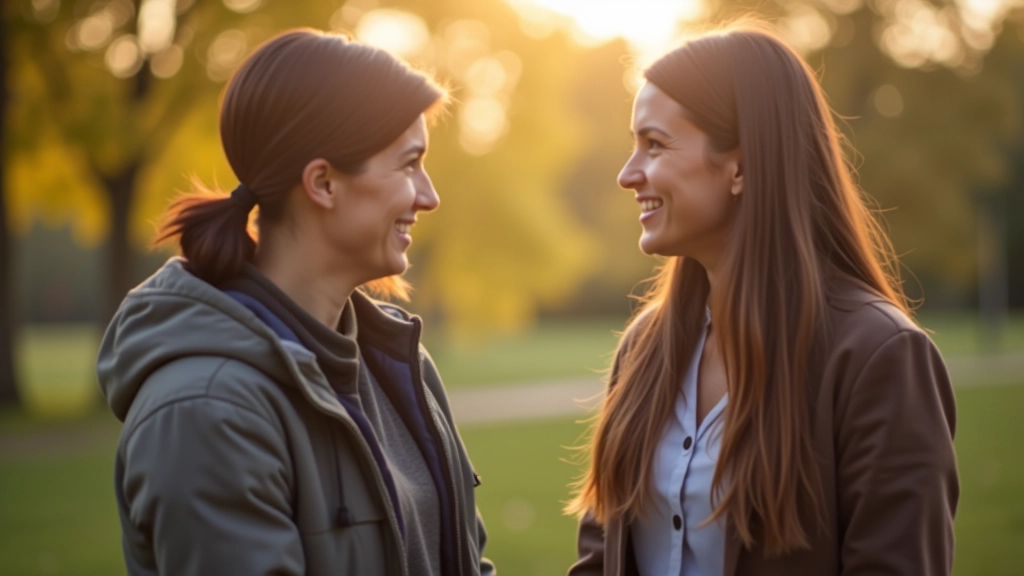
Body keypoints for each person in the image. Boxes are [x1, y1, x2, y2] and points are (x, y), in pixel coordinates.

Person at [97, 29, 494, 576]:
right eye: (408, 164)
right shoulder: (209, 412)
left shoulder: (400, 367)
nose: (428, 196)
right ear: (324, 183)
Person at [566, 23, 958, 576]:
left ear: (742, 165)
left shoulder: (879, 357)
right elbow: (600, 558)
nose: (628, 174)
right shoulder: (643, 350)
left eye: (654, 145)